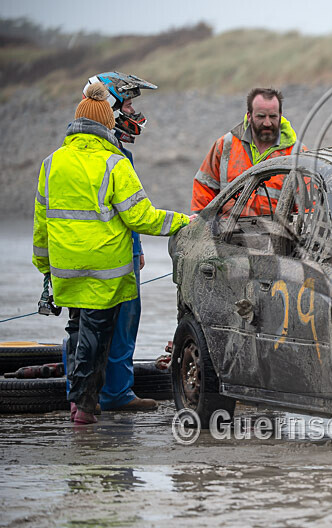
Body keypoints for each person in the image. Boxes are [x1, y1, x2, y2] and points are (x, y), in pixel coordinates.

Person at [32, 82, 191, 424]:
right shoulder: (114, 163)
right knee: (95, 337)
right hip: (105, 272)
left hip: (65, 269)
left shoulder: (51, 163)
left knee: (76, 331)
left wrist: (45, 267)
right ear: (108, 123)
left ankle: (77, 403)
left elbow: (41, 223)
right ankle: (85, 408)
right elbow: (141, 216)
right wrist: (183, 221)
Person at [75, 72, 158, 412]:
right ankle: (114, 394)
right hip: (113, 254)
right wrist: (137, 248)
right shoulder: (115, 156)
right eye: (129, 104)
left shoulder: (76, 153)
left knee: (83, 327)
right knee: (121, 321)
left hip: (80, 254)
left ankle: (85, 397)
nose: (134, 111)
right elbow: (133, 211)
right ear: (111, 107)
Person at [192, 88, 306, 213]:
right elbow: (204, 187)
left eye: (273, 116)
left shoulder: (298, 155)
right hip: (228, 230)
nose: (267, 123)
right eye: (261, 117)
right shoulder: (226, 145)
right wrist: (203, 223)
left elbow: (308, 206)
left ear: (280, 115)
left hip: (276, 231)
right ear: (249, 116)